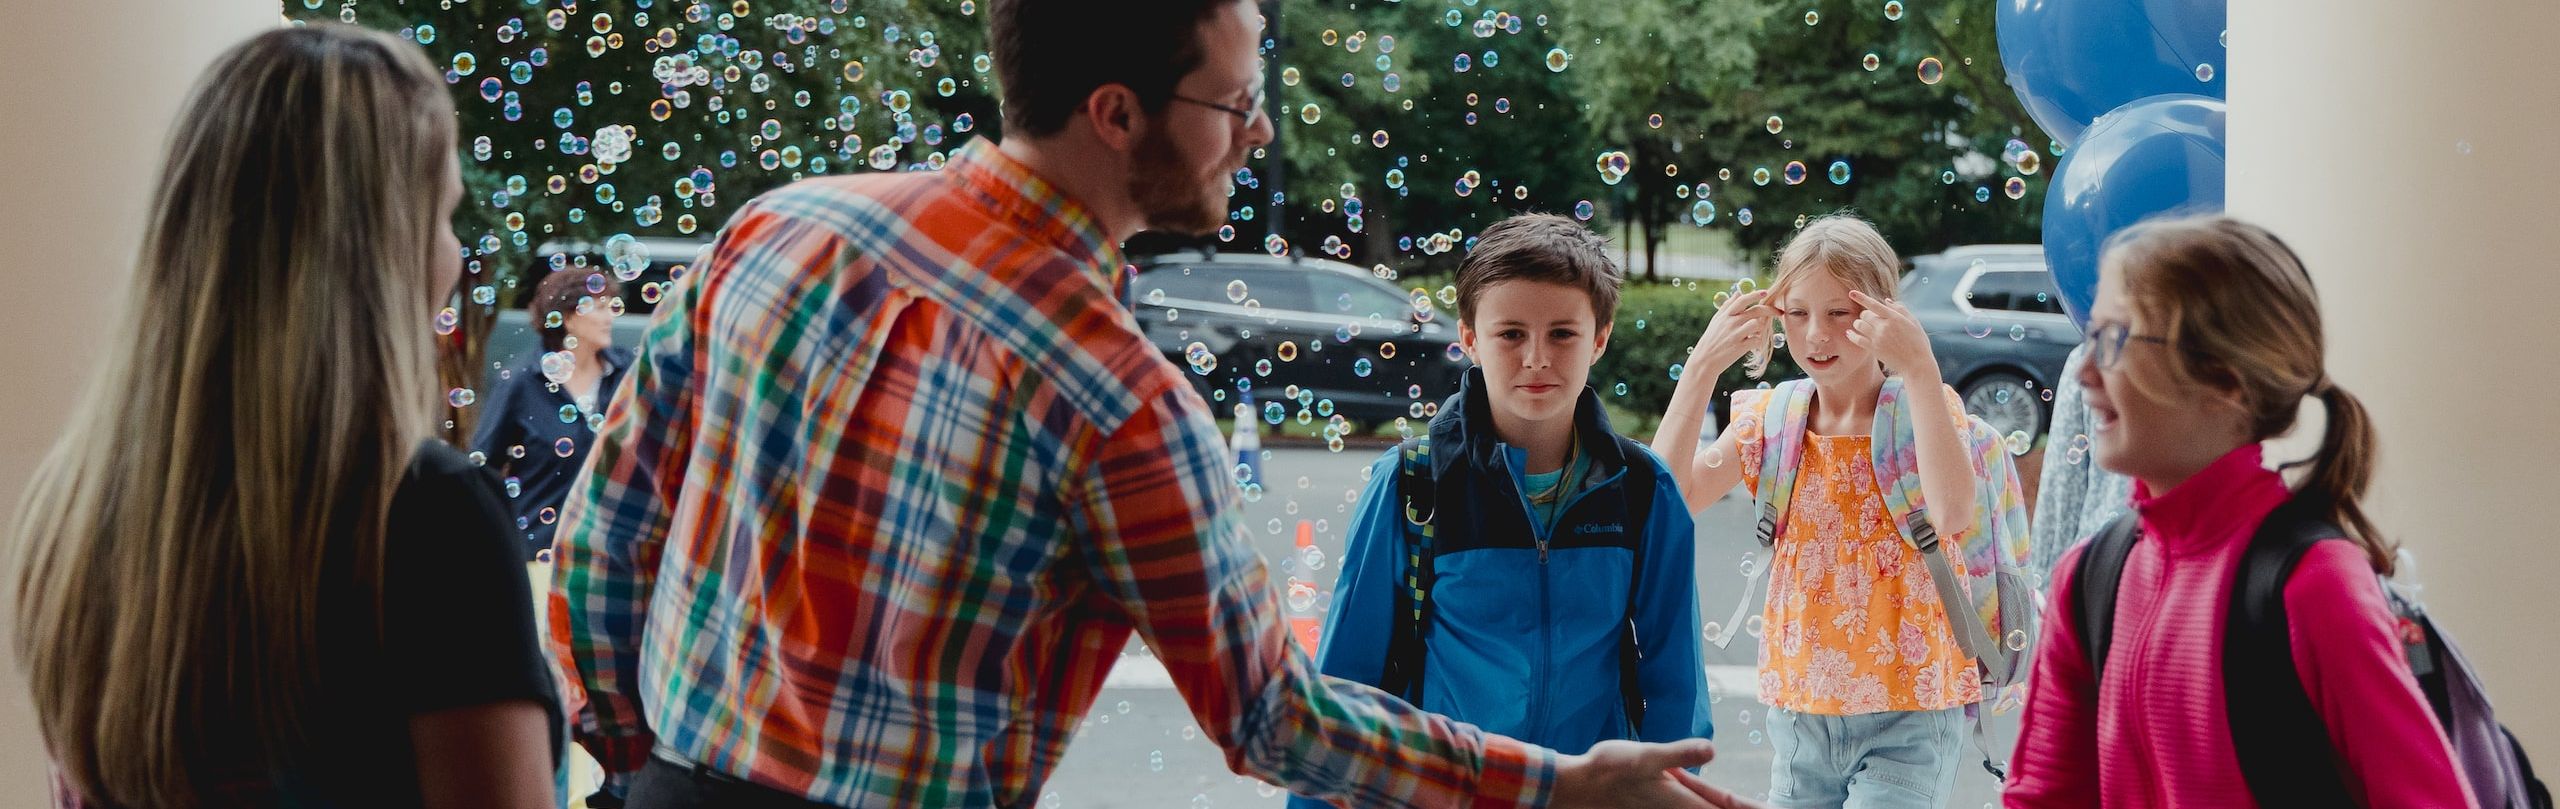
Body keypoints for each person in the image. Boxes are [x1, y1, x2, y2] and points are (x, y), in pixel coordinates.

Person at [547, 1, 1753, 807]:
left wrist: (631, 766)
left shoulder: (781, 225)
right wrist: (1558, 784)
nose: (1258, 131)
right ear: (1116, 113)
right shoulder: (1118, 402)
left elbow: (605, 534)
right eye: (1231, 104)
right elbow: (1276, 715)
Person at [8, 25, 559, 809]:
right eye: (442, 216)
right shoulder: (425, 515)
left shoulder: (73, 505)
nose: (452, 256)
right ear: (375, 248)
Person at [2002, 215, 2477, 807]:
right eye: (2088, 339)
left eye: (2114, 340)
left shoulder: (2314, 585)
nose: (2086, 376)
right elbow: (2043, 797)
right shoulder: (2089, 580)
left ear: (2224, 380)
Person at [1287, 215, 1713, 809]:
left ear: (1600, 337)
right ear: (1468, 338)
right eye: (1510, 334)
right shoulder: (1414, 481)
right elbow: (1346, 684)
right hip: (1449, 794)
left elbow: (1675, 680)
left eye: (1563, 333)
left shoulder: (1642, 487)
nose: (1537, 357)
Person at [1653, 214, 2014, 808]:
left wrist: (1920, 368)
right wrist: (1699, 370)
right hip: (1802, 714)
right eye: (1797, 313)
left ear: (1878, 313)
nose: (1816, 334)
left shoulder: (1923, 409)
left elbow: (1951, 514)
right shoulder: (1773, 419)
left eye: (1839, 313)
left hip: (1912, 710)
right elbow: (1665, 504)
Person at [471, 267, 634, 560]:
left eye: (611, 306)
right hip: (539, 551)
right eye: (599, 308)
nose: (610, 317)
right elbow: (484, 468)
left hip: (612, 555)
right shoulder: (521, 383)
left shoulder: (628, 376)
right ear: (568, 318)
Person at [2027, 344, 2134, 577]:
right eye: (2094, 332)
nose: (2082, 372)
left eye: (2117, 334)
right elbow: (2061, 490)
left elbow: (2063, 489)